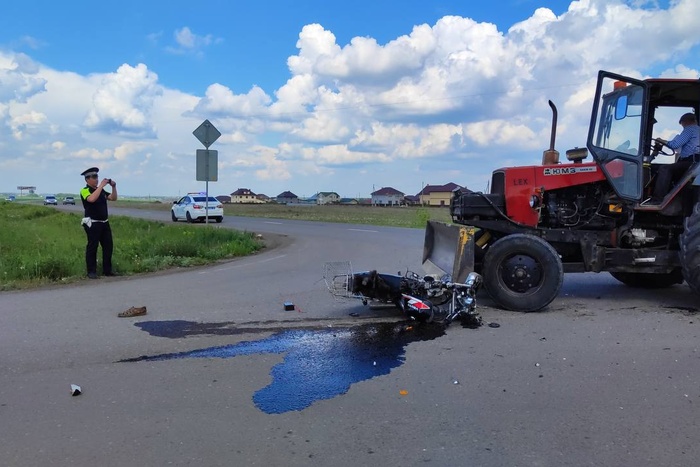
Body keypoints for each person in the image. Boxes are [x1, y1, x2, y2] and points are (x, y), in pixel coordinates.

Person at [649, 112, 700, 203]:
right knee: (671, 168)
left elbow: (675, 144)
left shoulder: (690, 129)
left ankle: (657, 200)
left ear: (685, 122)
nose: (683, 128)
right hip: (695, 162)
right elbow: (680, 149)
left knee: (664, 169)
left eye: (682, 125)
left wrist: (661, 140)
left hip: (692, 163)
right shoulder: (697, 131)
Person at [79, 167, 118, 279]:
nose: (96, 179)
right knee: (93, 246)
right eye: (94, 177)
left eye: (97, 177)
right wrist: (101, 186)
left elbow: (113, 198)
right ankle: (91, 271)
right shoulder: (85, 190)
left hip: (104, 223)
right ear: (87, 179)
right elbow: (91, 199)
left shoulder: (101, 191)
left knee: (108, 246)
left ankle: (107, 270)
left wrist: (113, 186)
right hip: (92, 223)